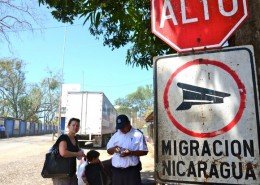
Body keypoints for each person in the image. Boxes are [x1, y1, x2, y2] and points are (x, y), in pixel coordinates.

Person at [107, 114, 148, 185]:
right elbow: (108, 151)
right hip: (117, 172)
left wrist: (131, 153)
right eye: (120, 127)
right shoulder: (115, 135)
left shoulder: (138, 135)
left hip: (132, 172)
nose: (121, 129)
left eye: (123, 127)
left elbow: (145, 152)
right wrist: (114, 149)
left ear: (129, 123)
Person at [52, 118, 85, 185]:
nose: (75, 127)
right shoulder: (63, 137)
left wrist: (83, 155)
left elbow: (77, 153)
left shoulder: (75, 138)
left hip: (71, 173)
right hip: (61, 174)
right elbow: (63, 153)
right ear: (68, 126)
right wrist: (77, 153)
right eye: (73, 125)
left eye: (77, 126)